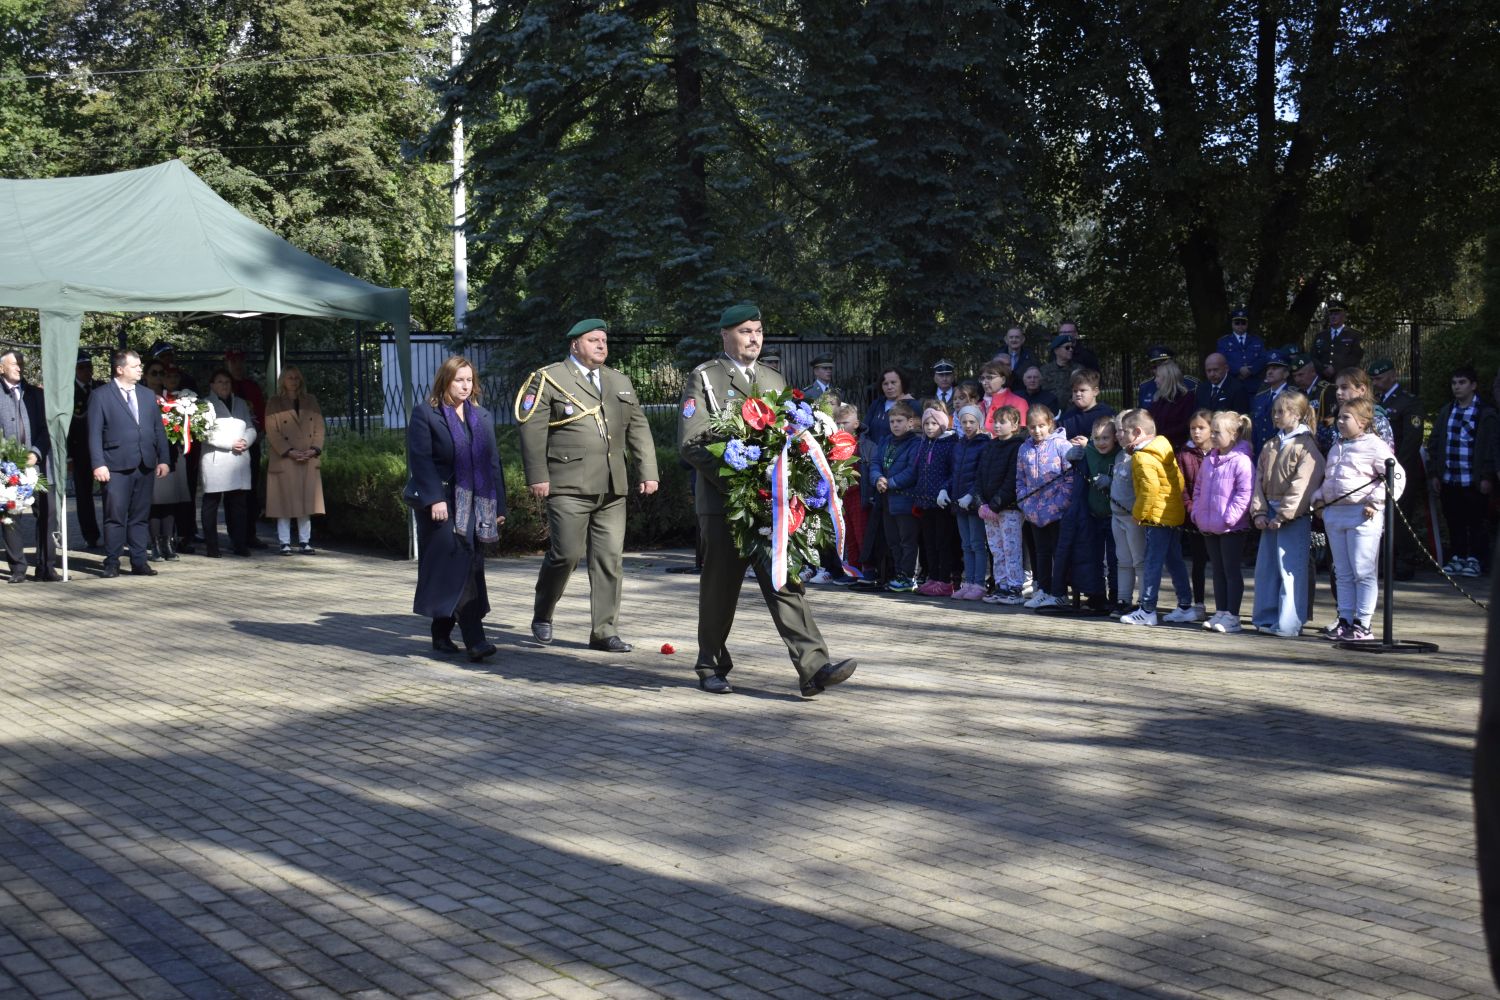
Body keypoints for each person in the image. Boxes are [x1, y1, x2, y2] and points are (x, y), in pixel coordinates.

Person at [677, 303, 857, 697]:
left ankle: (814, 667)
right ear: (725, 335)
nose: (754, 339)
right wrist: (741, 480)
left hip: (773, 504)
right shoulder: (706, 377)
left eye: (758, 331)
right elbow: (692, 443)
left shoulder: (773, 378)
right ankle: (710, 665)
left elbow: (790, 434)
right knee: (720, 588)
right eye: (745, 331)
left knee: (785, 580)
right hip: (726, 503)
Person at [515, 319, 659, 651]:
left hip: (612, 485)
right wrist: (537, 475)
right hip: (568, 484)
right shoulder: (550, 378)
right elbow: (531, 429)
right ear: (575, 344)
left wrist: (648, 471)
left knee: (609, 559)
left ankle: (604, 631)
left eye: (604, 340)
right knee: (565, 554)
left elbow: (638, 427)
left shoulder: (618, 380)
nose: (601, 345)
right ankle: (543, 613)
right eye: (593, 340)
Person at [409, 355, 506, 662]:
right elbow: (420, 459)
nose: (465, 386)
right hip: (442, 503)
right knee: (458, 563)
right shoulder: (427, 414)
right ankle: (476, 640)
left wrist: (498, 505)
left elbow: (493, 462)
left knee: (469, 564)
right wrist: (434, 498)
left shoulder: (482, 416)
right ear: (445, 381)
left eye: (469, 380)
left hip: (477, 502)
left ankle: (440, 631)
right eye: (458, 380)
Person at [1312, 397, 1406, 641]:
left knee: (1363, 571)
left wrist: (1376, 501)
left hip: (1361, 515)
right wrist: (1319, 498)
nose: (1340, 422)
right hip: (1336, 515)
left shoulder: (1375, 445)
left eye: (1346, 418)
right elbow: (1330, 478)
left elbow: (1396, 476)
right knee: (1342, 572)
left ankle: (1363, 624)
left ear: (1363, 422)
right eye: (1339, 417)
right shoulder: (1337, 446)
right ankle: (1345, 619)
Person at [87, 349, 171, 578]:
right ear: (120, 369)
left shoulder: (146, 395)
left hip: (144, 463)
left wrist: (164, 459)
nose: (140, 369)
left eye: (140, 365)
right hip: (115, 465)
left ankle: (139, 561)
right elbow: (93, 433)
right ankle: (112, 562)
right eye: (135, 366)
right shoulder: (101, 395)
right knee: (115, 516)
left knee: (140, 517)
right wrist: (98, 464)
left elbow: (158, 429)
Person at [1250, 390, 1326, 636]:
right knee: (1267, 569)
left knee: (1290, 570)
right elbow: (1258, 481)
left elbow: (1303, 484)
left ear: (1297, 414)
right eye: (1274, 411)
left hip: (1293, 517)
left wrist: (1283, 515)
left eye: (1281, 411)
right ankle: (1266, 618)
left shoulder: (1307, 446)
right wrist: (1259, 512)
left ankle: (1289, 622)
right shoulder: (1271, 444)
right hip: (1270, 514)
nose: (1275, 416)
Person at [1115, 409, 1194, 626]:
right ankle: (1185, 606)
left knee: (1152, 563)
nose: (1122, 435)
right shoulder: (1163, 448)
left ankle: (1147, 609)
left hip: (1156, 518)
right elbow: (1178, 481)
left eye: (1125, 431)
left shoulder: (1142, 456)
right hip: (1171, 513)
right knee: (1174, 560)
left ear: (1137, 432)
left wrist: (1139, 514)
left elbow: (1149, 490)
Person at [1428, 365, 1497, 578]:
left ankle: (1476, 558)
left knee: (1476, 520)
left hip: (1473, 478)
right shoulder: (1447, 411)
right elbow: (1435, 442)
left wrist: (1487, 475)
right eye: (1454, 383)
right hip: (1450, 477)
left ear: (1473, 385)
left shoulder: (1484, 413)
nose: (1457, 387)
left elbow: (1490, 447)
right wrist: (1435, 473)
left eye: (1462, 382)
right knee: (1453, 518)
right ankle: (1457, 556)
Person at [1192, 411, 1255, 633]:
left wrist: (1229, 518)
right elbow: (1198, 488)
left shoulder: (1242, 461)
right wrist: (1197, 514)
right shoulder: (1209, 460)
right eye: (1213, 431)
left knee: (1231, 571)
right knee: (1217, 570)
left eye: (1217, 432)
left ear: (1234, 434)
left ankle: (1233, 615)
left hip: (1231, 528)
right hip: (1209, 526)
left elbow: (1245, 493)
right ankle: (1220, 611)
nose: (1213, 436)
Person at [0, 350, 58, 582]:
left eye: (22, 363)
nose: (20, 367)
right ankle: (18, 568)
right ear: (1, 368)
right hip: (7, 467)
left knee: (48, 515)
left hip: (40, 465)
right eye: (15, 363)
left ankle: (46, 567)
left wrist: (36, 452)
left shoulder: (36, 394)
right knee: (11, 517)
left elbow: (47, 428)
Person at [1369, 358, 1426, 577]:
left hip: (1401, 468)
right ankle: (1386, 560)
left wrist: (1396, 469)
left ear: (1393, 376)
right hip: (1379, 469)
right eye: (1373, 379)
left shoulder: (1408, 402)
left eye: (1380, 378)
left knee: (1400, 515)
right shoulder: (1376, 401)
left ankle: (1406, 560)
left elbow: (1412, 439)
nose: (1376, 382)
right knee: (1383, 515)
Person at [264, 367, 326, 556]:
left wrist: (314, 449)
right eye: (290, 378)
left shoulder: (311, 400)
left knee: (305, 502)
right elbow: (272, 431)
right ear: (283, 380)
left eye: (297, 378)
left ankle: (305, 541)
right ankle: (284, 542)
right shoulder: (274, 402)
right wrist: (289, 451)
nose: (293, 381)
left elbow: (319, 427)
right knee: (283, 502)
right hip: (285, 458)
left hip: (307, 457)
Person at [1018, 404, 1074, 609]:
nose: (1037, 430)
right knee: (1041, 552)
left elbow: (1070, 477)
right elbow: (1020, 479)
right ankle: (1044, 589)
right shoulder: (1024, 448)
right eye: (1032, 427)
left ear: (1050, 423)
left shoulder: (1062, 445)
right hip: (1034, 511)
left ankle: (1060, 592)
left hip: (1057, 511)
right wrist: (1025, 503)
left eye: (1041, 425)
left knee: (1058, 552)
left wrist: (1059, 504)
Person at [200, 369, 258, 558]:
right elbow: (204, 433)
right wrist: (229, 444)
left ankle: (239, 544)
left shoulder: (240, 403)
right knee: (211, 504)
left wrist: (246, 441)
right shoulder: (204, 404)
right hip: (216, 460)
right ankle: (212, 546)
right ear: (212, 385)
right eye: (220, 381)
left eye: (227, 382)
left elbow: (250, 427)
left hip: (239, 459)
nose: (224, 385)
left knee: (238, 506)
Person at [868, 401, 920, 593]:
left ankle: (908, 576)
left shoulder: (915, 443)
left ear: (910, 422)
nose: (895, 425)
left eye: (899, 421)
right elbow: (875, 462)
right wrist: (878, 479)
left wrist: (890, 483)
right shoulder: (885, 441)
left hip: (905, 499)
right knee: (893, 540)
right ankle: (898, 574)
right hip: (886, 499)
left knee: (907, 540)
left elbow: (912, 471)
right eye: (892, 421)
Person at [977, 405, 1026, 604]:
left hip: (1009, 508)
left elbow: (1012, 480)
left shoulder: (1018, 447)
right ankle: (1001, 586)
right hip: (988, 509)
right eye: (995, 421)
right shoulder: (990, 446)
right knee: (996, 550)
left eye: (1002, 422)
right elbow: (980, 475)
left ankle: (1015, 588)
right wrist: (981, 502)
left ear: (1015, 425)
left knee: (1011, 549)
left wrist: (996, 504)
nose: (997, 425)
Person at [143, 360, 189, 562]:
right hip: (150, 453)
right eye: (154, 373)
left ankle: (168, 542)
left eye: (161, 373)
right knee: (155, 501)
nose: (158, 377)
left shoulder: (173, 398)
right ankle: (154, 544)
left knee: (170, 500)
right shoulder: (140, 396)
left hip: (172, 452)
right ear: (145, 376)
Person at [1170, 409, 1213, 623]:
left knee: (1221, 563)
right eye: (1193, 428)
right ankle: (1199, 603)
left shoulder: (1219, 453)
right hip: (1195, 518)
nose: (1196, 432)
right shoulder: (1183, 455)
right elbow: (1181, 487)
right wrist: (1191, 509)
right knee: (1198, 561)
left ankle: (1226, 607)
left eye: (1201, 428)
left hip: (1219, 517)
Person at [944, 404, 990, 600]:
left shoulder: (984, 444)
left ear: (979, 422)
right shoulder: (959, 445)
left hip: (974, 503)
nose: (968, 425)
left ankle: (979, 583)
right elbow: (954, 473)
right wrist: (945, 489)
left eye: (972, 421)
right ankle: (968, 582)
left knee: (977, 544)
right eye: (964, 422)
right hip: (958, 502)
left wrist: (971, 495)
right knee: (966, 545)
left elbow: (981, 475)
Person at [911, 406, 957, 596]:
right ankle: (934, 577)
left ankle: (945, 580)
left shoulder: (950, 444)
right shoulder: (924, 443)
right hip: (925, 501)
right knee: (929, 542)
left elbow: (954, 472)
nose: (929, 427)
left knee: (942, 542)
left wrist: (945, 488)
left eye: (934, 423)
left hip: (941, 503)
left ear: (943, 425)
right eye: (926, 424)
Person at [225, 348, 268, 548]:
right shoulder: (225, 386)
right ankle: (235, 535)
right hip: (230, 446)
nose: (237, 365)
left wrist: (261, 433)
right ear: (227, 363)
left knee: (251, 491)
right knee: (232, 492)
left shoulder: (252, 386)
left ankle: (250, 533)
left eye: (240, 361)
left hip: (252, 444)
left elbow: (261, 411)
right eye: (233, 362)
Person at [1109, 416, 1143, 616]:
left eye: (1122, 430)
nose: (1118, 434)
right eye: (1117, 430)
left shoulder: (1139, 456)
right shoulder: (1120, 455)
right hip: (1117, 515)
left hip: (1133, 517)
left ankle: (1144, 601)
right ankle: (1123, 599)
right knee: (1123, 560)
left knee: (1139, 560)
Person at [69, 350, 102, 550]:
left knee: (111, 494)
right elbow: (67, 427)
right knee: (84, 496)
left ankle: (113, 532)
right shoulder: (69, 392)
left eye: (89, 366)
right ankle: (90, 535)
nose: (86, 371)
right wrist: (69, 457)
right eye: (81, 367)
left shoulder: (100, 387)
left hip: (103, 450)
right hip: (80, 451)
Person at [1250, 351, 1293, 457]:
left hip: (1282, 452)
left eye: (1275, 368)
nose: (1270, 372)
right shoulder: (1260, 397)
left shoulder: (1293, 396)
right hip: (1260, 452)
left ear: (1286, 373)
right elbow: (1255, 427)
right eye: (1268, 369)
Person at [1146, 359, 1197, 449]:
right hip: (1158, 446)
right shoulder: (1159, 399)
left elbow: (1186, 425)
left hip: (1177, 449)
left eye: (1158, 376)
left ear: (1167, 378)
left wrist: (1160, 436)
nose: (1155, 380)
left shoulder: (1186, 398)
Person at [1311, 300, 1364, 381]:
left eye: (1336, 314)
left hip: (1345, 377)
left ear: (1344, 315)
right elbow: (1313, 356)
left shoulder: (1354, 335)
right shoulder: (1320, 336)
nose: (1333, 317)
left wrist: (1336, 368)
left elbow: (1356, 356)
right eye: (1331, 314)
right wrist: (1323, 369)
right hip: (1323, 378)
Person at [1216, 308, 1267, 389]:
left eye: (1243, 322)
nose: (1240, 325)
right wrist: (1238, 370)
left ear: (1247, 324)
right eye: (1237, 322)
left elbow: (1263, 358)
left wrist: (1250, 370)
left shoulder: (1257, 340)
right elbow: (1221, 361)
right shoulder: (1223, 342)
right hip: (1232, 384)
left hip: (1254, 384)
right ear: (1232, 324)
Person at [866, 366, 915, 445]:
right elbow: (865, 429)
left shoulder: (912, 405)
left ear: (902, 383)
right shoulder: (877, 404)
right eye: (885, 384)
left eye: (893, 382)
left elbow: (916, 434)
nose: (889, 387)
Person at [979, 361, 1028, 434]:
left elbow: (1021, 434)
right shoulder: (980, 405)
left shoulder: (1019, 403)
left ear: (1003, 380)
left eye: (989, 378)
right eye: (982, 378)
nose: (984, 382)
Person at [1039, 334, 1078, 402]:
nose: (1071, 350)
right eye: (1067, 347)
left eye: (1072, 347)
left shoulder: (1078, 369)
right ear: (1056, 350)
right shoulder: (1044, 370)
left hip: (1071, 407)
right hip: (1049, 406)